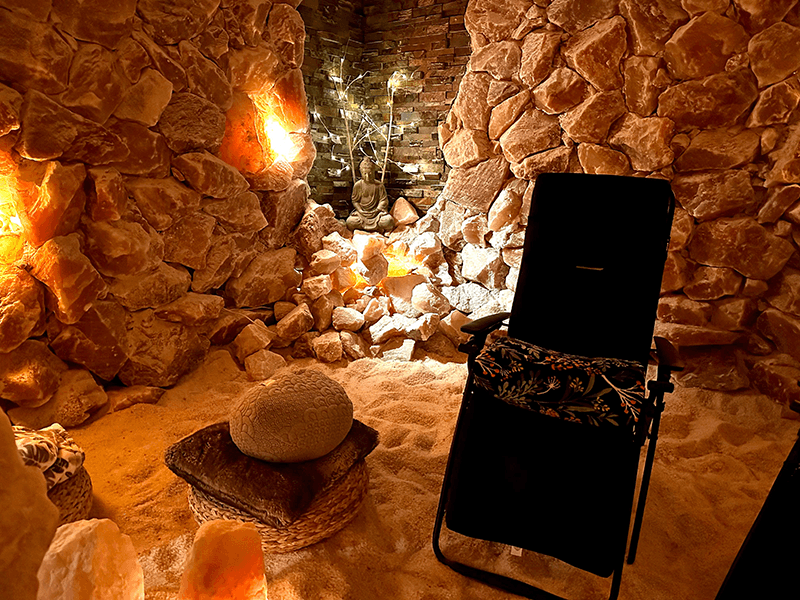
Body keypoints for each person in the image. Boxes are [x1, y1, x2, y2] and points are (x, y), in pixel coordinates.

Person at [346, 157, 395, 233]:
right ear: (361, 173)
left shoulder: (379, 185)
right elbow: (355, 201)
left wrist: (377, 210)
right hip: (362, 214)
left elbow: (383, 200)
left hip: (376, 214)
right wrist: (360, 210)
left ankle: (379, 229)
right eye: (364, 174)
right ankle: (372, 229)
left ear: (373, 172)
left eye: (370, 174)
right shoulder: (358, 185)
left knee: (388, 221)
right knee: (350, 222)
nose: (367, 177)